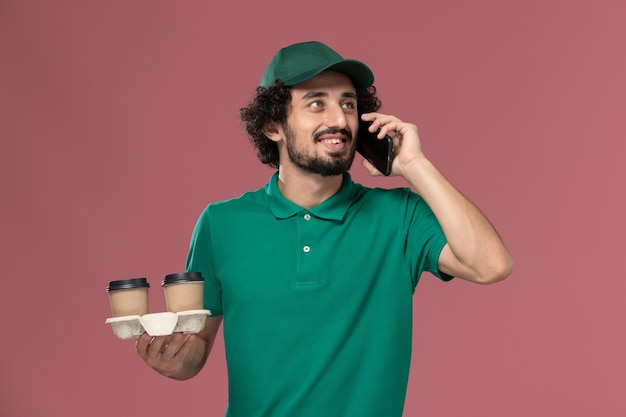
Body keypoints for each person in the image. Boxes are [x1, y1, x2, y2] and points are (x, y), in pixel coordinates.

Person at [135, 41, 513, 416]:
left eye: (347, 104)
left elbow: (491, 265)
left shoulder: (400, 217)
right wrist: (174, 360)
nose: (338, 119)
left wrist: (415, 166)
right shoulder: (221, 224)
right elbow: (195, 347)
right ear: (272, 126)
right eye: (317, 103)